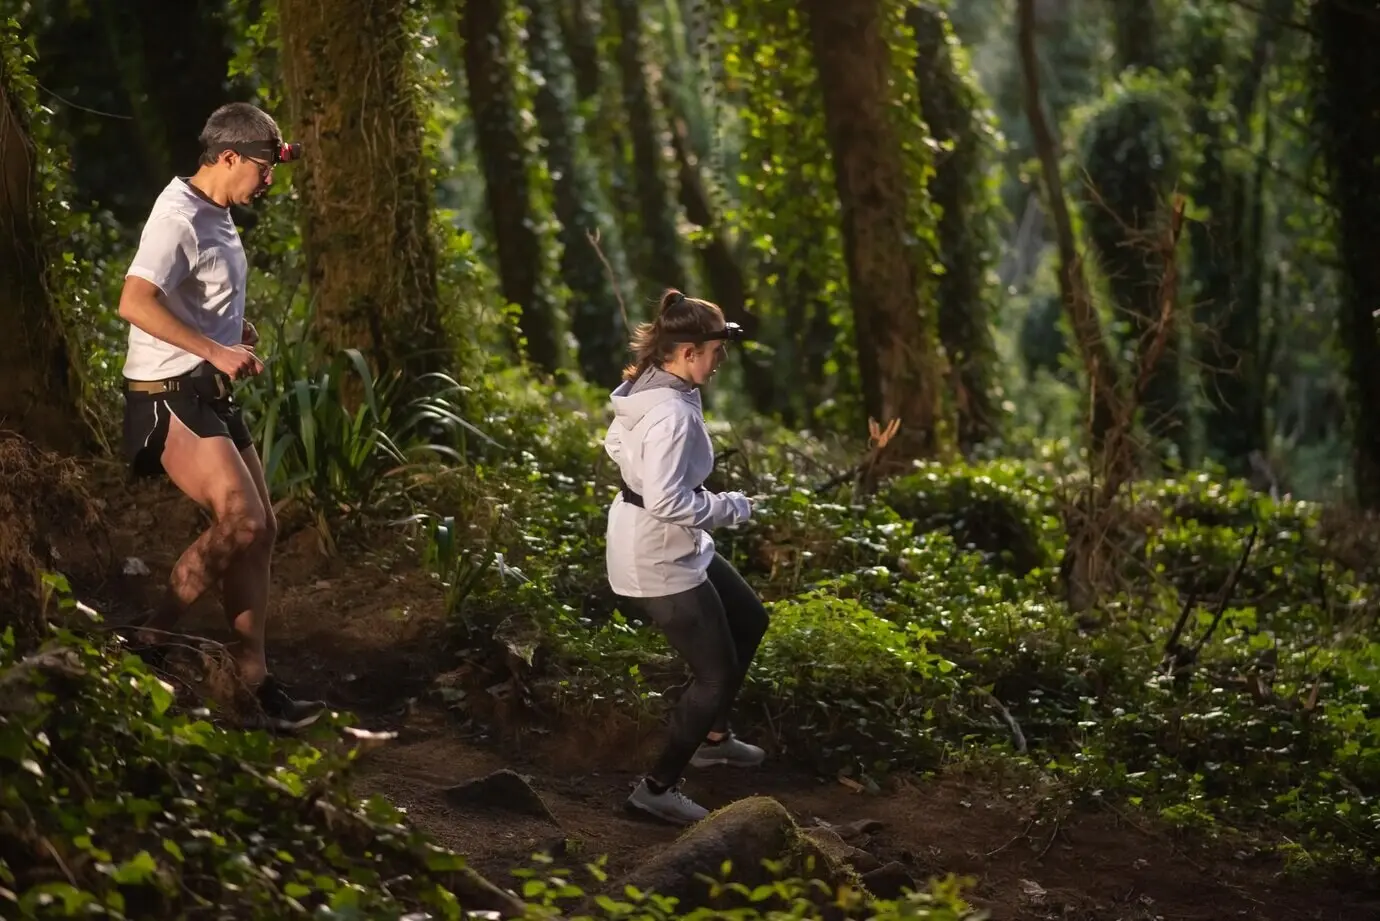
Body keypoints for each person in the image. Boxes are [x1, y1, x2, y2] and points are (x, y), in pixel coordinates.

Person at [118, 102, 323, 732]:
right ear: (228, 157)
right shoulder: (177, 215)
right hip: (164, 394)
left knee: (260, 531)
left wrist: (231, 330)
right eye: (263, 168)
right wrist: (214, 348)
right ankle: (144, 642)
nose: (268, 181)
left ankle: (253, 682)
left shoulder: (219, 211)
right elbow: (133, 301)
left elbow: (196, 295)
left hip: (205, 390)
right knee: (239, 521)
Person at [603, 288, 771, 826]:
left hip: (669, 542)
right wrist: (735, 506)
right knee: (715, 675)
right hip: (656, 557)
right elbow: (669, 500)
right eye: (717, 351)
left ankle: (714, 738)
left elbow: (615, 443)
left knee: (749, 618)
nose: (721, 362)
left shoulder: (648, 386)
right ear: (689, 351)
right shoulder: (671, 412)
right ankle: (656, 789)